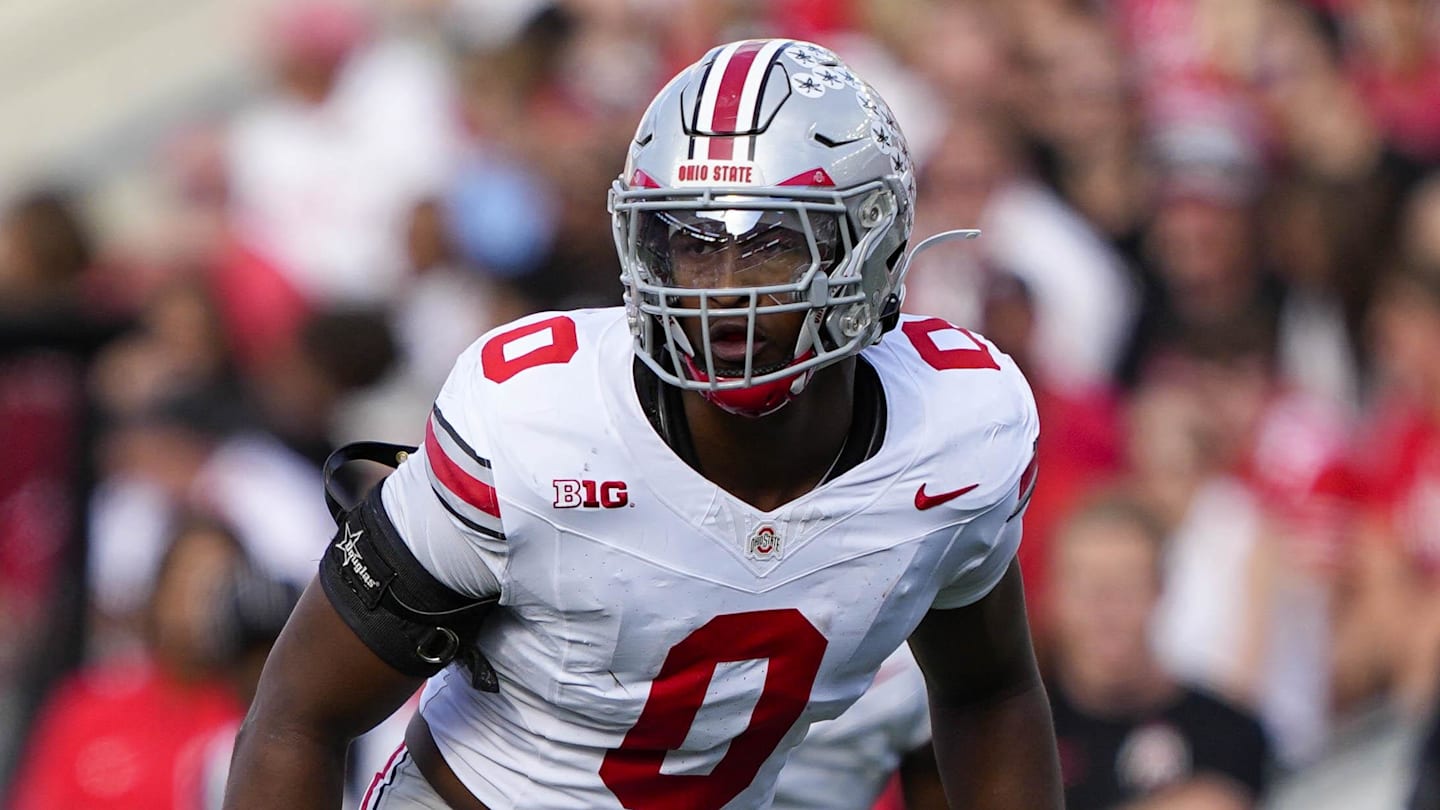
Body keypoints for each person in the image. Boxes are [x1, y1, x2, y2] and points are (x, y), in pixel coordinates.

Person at [224, 38, 1060, 810]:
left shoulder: (956, 430)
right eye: (691, 242)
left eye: (771, 240)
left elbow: (991, 693)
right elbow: (297, 715)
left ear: (868, 242)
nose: (723, 290)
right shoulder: (536, 419)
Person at [1046, 496, 1271, 810]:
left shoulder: (1227, 732)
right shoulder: (1020, 734)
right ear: (1055, 593)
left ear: (1161, 589)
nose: (1106, 609)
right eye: (1087, 586)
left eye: (1127, 586)